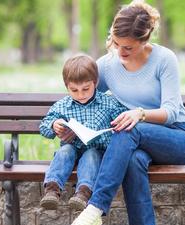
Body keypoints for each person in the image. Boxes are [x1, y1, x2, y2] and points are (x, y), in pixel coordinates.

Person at [65, 1, 185, 225]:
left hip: (176, 139)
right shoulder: (108, 65)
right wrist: (66, 124)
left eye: (128, 47)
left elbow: (171, 111)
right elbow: (83, 97)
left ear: (144, 38)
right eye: (116, 44)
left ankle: (96, 208)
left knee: (129, 128)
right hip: (135, 142)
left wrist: (140, 113)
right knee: (134, 159)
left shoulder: (164, 59)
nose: (120, 51)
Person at [39, 55, 127, 211]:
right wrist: (54, 125)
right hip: (72, 150)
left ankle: (83, 193)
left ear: (95, 82)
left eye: (86, 89)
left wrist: (118, 123)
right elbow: (44, 126)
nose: (81, 94)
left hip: (97, 150)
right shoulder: (62, 105)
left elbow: (123, 118)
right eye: (74, 90)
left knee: (91, 154)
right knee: (65, 150)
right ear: (67, 86)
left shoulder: (108, 102)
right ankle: (52, 190)